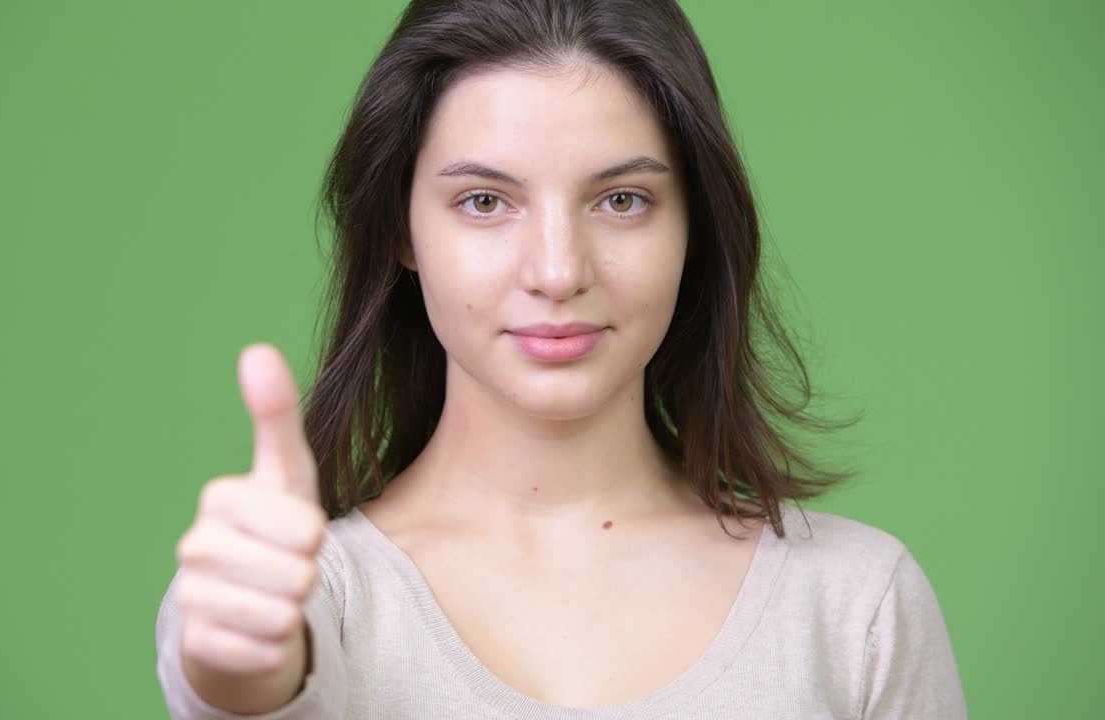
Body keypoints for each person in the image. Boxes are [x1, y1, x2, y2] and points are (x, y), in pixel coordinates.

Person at [154, 0, 968, 717]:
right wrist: (244, 680)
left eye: (622, 200)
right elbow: (247, 689)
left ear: (693, 228)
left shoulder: (855, 604)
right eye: (484, 201)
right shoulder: (297, 600)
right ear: (401, 230)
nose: (557, 271)